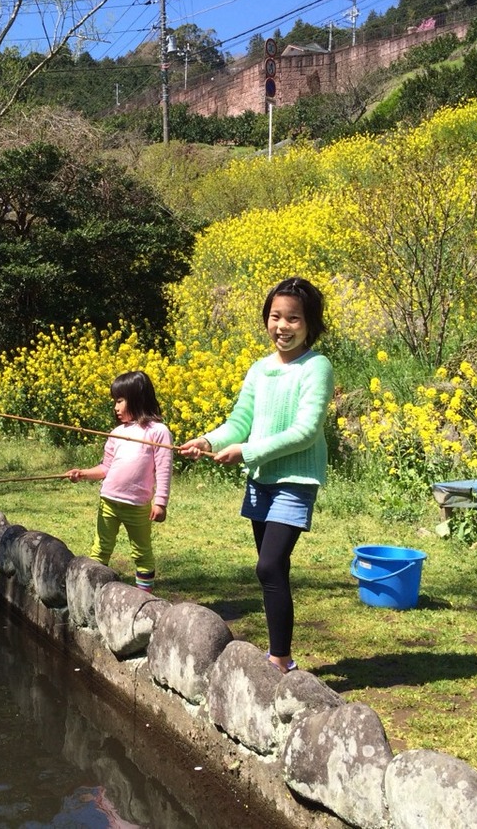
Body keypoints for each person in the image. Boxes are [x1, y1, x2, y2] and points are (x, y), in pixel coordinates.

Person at [179, 277, 334, 673]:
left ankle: (281, 658)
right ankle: (279, 656)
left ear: (310, 323)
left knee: (268, 565)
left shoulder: (316, 367)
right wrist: (207, 441)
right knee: (273, 571)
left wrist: (246, 451)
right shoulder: (259, 369)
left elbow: (306, 430)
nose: (282, 326)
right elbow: (240, 421)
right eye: (275, 317)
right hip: (260, 481)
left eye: (293, 319)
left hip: (294, 482)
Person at [68, 370, 173, 593]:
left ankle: (143, 600)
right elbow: (106, 467)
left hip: (137, 506)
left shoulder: (158, 432)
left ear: (137, 398)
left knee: (142, 553)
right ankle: (91, 594)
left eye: (119, 401)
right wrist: (83, 473)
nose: (115, 407)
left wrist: (161, 502)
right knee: (100, 549)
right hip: (108, 501)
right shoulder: (117, 433)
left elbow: (164, 468)